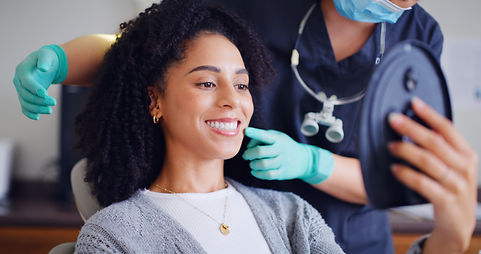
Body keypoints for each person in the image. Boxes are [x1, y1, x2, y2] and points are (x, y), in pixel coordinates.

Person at [12, 0, 478, 253]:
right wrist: (58, 60)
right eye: (208, 83)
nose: (233, 99)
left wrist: (313, 163)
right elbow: (140, 50)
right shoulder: (121, 236)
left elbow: (397, 174)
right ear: (155, 99)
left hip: (351, 232)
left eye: (243, 83)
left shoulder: (292, 218)